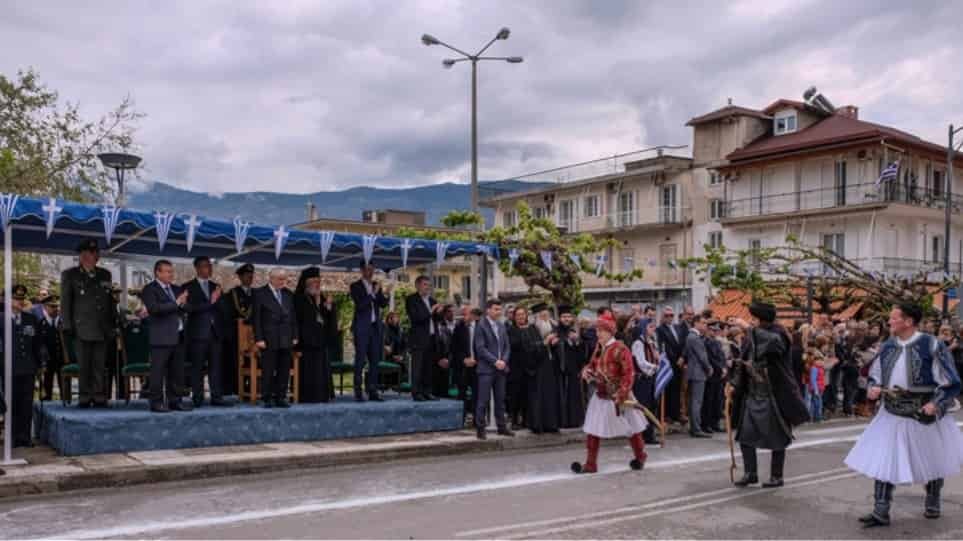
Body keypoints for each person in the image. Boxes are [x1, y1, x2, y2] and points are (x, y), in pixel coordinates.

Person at [845, 303, 963, 528]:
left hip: (922, 411)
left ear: (908, 321)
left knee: (932, 457)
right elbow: (874, 374)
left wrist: (936, 403)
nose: (889, 322)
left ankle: (933, 498)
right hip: (891, 411)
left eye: (893, 318)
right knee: (884, 457)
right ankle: (881, 510)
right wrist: (874, 387)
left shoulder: (932, 345)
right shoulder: (888, 346)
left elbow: (950, 381)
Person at [728, 303, 809, 488]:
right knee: (745, 435)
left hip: (773, 394)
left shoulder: (778, 333)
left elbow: (773, 344)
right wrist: (734, 384)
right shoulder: (753, 335)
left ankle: (777, 476)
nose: (751, 322)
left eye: (754, 319)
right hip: (753, 393)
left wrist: (748, 328)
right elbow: (744, 360)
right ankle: (750, 473)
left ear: (763, 319)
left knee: (777, 436)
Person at [571, 313, 648, 474]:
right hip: (601, 394)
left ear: (610, 332)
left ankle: (640, 456)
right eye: (597, 330)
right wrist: (587, 372)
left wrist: (622, 393)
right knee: (593, 428)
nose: (598, 334)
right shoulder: (599, 348)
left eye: (601, 331)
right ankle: (591, 464)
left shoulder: (620, 348)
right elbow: (591, 366)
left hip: (620, 395)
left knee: (632, 427)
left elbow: (629, 373)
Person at [60, 238, 115, 408]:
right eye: (85, 254)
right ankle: (84, 396)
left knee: (99, 364)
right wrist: (68, 325)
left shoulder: (105, 274)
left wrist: (113, 324)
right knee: (84, 365)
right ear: (80, 256)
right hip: (81, 327)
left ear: (97, 256)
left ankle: (99, 396)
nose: (89, 257)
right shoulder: (70, 275)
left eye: (92, 254)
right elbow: (66, 301)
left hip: (102, 327)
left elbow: (109, 301)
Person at [141, 260, 192, 413]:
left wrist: (183, 304)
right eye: (168, 271)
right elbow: (154, 309)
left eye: (172, 271)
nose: (171, 274)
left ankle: (175, 401)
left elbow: (187, 307)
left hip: (178, 335)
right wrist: (177, 303)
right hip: (161, 337)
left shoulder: (177, 289)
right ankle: (156, 403)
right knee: (158, 371)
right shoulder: (150, 289)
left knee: (176, 371)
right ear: (158, 272)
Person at [181, 256, 228, 407]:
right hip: (197, 334)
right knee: (197, 368)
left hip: (215, 333)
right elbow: (190, 309)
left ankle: (217, 397)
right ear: (198, 268)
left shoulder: (216, 287)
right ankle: (198, 397)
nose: (209, 269)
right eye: (205, 266)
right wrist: (211, 302)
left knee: (216, 367)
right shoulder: (187, 287)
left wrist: (219, 302)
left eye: (210, 266)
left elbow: (224, 309)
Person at [0, 285, 42, 446]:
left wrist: (40, 363)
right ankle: (11, 437)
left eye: (21, 298)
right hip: (9, 367)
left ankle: (24, 436)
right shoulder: (1, 318)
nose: (19, 301)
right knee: (11, 402)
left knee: (26, 402)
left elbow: (37, 344)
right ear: (6, 300)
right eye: (16, 298)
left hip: (28, 367)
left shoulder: (30, 319)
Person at [252, 268, 299, 408]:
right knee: (268, 369)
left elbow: (293, 317)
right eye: (280, 279)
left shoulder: (288, 294)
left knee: (284, 369)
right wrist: (259, 338)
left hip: (286, 336)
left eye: (284, 279)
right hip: (268, 337)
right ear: (271, 278)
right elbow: (256, 319)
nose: (282, 282)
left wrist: (295, 335)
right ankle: (266, 398)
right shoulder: (260, 293)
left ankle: (281, 397)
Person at [473, 299, 513, 440]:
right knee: (483, 400)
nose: (499, 312)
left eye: (499, 309)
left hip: (501, 369)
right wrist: (495, 361)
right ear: (488, 310)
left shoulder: (501, 326)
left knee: (500, 399)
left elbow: (507, 346)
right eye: (496, 309)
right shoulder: (481, 326)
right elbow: (480, 349)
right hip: (486, 369)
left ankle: (501, 427)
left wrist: (503, 361)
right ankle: (480, 429)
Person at [294, 267, 335, 403]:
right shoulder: (298, 298)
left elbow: (326, 319)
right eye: (314, 282)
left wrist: (328, 307)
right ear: (306, 283)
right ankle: (307, 396)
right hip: (305, 343)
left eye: (318, 281)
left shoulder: (321, 297)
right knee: (308, 371)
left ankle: (322, 396)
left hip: (320, 341)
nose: (317, 284)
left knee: (321, 370)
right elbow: (300, 321)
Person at [349, 264, 388, 402]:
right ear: (361, 270)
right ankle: (358, 391)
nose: (370, 272)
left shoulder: (376, 285)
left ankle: (372, 391)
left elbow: (383, 304)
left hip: (375, 327)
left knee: (375, 361)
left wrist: (384, 293)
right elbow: (361, 305)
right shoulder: (355, 286)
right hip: (361, 328)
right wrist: (372, 293)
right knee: (360, 360)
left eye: (372, 269)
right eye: (367, 269)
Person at [220, 263, 256, 397]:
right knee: (235, 362)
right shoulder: (232, 294)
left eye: (251, 276)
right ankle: (235, 388)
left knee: (252, 360)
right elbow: (227, 313)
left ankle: (252, 388)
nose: (250, 278)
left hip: (252, 335)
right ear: (240, 277)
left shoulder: (256, 294)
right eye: (247, 276)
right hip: (236, 334)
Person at [406, 275, 443, 401]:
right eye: (425, 284)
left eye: (429, 285)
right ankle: (416, 393)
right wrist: (431, 311)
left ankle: (427, 391)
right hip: (418, 338)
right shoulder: (411, 299)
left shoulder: (432, 300)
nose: (427, 287)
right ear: (417, 285)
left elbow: (437, 320)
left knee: (429, 367)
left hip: (432, 337)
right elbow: (416, 318)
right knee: (418, 367)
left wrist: (439, 313)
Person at [527, 303, 561, 433]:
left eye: (547, 316)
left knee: (551, 396)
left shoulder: (553, 328)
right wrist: (544, 343)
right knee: (539, 397)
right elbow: (529, 349)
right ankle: (538, 425)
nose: (546, 319)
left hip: (551, 367)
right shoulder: (530, 329)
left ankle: (551, 424)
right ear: (537, 317)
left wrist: (554, 344)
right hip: (538, 368)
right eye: (543, 316)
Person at [555, 305, 587, 429]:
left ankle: (574, 420)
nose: (566, 319)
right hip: (560, 369)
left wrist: (577, 342)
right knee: (561, 395)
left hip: (574, 370)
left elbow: (582, 353)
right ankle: (563, 421)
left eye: (568, 316)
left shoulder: (576, 332)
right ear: (560, 318)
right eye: (564, 317)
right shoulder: (556, 331)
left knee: (574, 395)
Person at [631, 317, 660, 444]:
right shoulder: (638, 343)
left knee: (652, 405)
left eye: (654, 327)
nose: (653, 329)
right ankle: (641, 435)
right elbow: (641, 363)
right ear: (643, 328)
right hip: (642, 380)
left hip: (651, 378)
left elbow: (657, 357)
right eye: (650, 327)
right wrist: (655, 367)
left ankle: (649, 433)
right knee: (643, 407)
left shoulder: (652, 343)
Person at [683, 315, 712, 438]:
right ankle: (696, 428)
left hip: (694, 372)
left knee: (694, 401)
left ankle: (694, 427)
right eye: (703, 323)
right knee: (696, 401)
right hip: (697, 372)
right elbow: (702, 356)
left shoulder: (692, 336)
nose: (705, 325)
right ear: (696, 323)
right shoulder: (694, 337)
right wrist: (709, 368)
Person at [656, 307, 685, 425]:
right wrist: (674, 359)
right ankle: (667, 414)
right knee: (668, 389)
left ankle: (676, 414)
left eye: (671, 315)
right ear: (662, 317)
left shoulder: (678, 328)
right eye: (667, 315)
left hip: (680, 363)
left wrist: (683, 357)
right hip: (669, 363)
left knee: (677, 389)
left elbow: (683, 343)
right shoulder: (660, 329)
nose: (669, 318)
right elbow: (665, 347)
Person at [451, 307, 480, 423]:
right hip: (463, 366)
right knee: (462, 393)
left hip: (477, 365)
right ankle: (461, 418)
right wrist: (464, 359)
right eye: (463, 315)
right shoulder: (459, 328)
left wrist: (476, 359)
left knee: (477, 393)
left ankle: (477, 419)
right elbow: (454, 347)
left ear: (472, 315)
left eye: (466, 314)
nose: (464, 317)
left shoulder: (481, 327)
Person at [507, 306, 533, 429]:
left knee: (527, 395)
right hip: (515, 367)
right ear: (514, 317)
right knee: (515, 395)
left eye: (523, 314)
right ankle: (514, 420)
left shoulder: (532, 329)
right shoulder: (511, 330)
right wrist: (523, 334)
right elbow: (513, 344)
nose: (521, 317)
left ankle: (526, 420)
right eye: (518, 315)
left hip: (529, 367)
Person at [36, 294, 66, 402]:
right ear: (45, 307)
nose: (55, 309)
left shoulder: (64, 323)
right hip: (47, 362)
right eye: (52, 306)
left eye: (57, 306)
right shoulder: (40, 324)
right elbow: (38, 344)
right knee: (46, 390)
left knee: (65, 389)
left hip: (62, 360)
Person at [702, 320, 727, 434]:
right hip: (711, 375)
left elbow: (721, 356)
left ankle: (715, 423)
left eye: (716, 330)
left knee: (718, 399)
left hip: (719, 375)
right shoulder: (706, 342)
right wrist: (720, 368)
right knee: (709, 400)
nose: (715, 332)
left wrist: (724, 367)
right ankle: (707, 424)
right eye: (713, 330)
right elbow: (710, 358)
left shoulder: (716, 342)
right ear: (708, 330)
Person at [431, 304, 455, 399]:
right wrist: (438, 360)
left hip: (446, 362)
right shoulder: (431, 328)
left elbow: (451, 346)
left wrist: (447, 359)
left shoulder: (446, 329)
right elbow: (432, 346)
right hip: (434, 362)